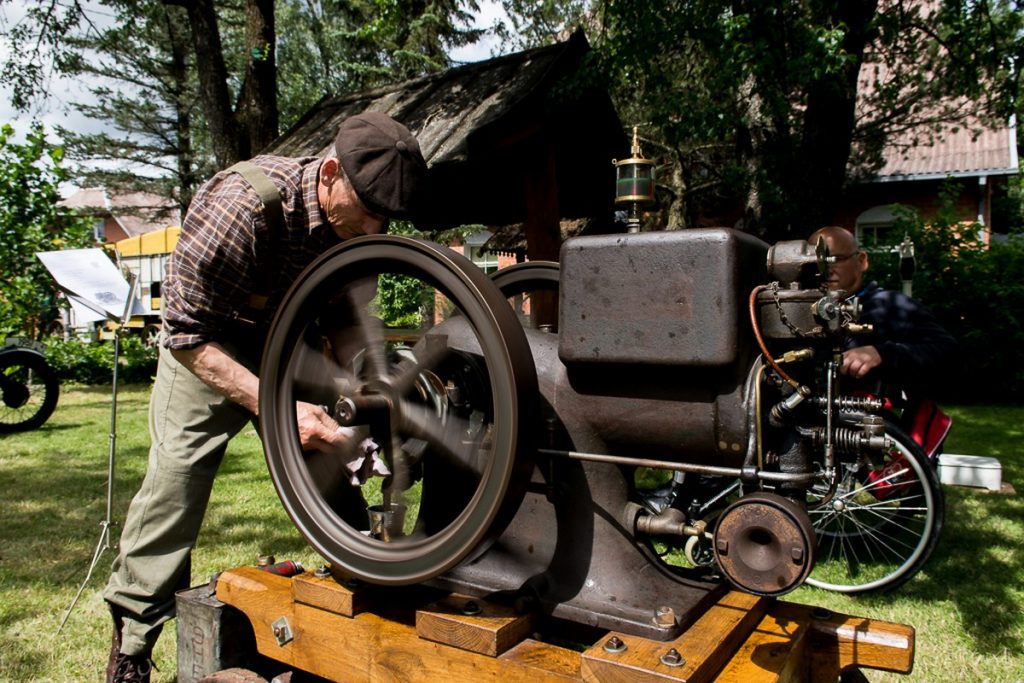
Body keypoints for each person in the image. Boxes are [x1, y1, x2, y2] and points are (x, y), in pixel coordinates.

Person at [103, 112, 428, 682]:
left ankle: (362, 583)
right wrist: (276, 407)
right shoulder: (243, 205)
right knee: (176, 482)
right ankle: (131, 644)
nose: (378, 229)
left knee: (332, 459)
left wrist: (368, 390)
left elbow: (350, 322)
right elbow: (182, 333)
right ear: (330, 174)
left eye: (388, 218)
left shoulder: (358, 230)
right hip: (210, 346)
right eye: (370, 212)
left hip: (289, 345)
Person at [808, 226, 958, 405]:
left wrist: (883, 353)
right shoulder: (800, 312)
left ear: (862, 261)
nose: (826, 270)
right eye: (818, 263)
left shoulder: (891, 306)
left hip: (865, 425)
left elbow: (949, 353)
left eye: (835, 259)